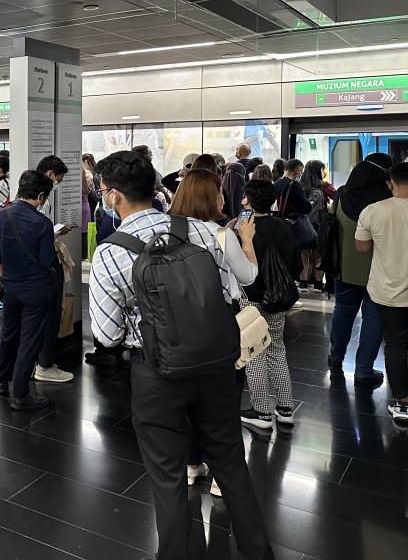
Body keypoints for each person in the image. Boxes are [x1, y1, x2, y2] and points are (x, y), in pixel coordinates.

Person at [88, 150, 273, 560]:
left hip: (156, 374)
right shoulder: (203, 232)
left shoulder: (110, 252)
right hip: (216, 364)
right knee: (231, 465)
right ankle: (260, 553)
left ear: (115, 196)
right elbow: (228, 293)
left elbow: (106, 334)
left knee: (168, 476)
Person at [168, 169, 258, 493]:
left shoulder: (169, 232)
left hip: (181, 322)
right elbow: (247, 276)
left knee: (190, 395)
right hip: (220, 322)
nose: (224, 197)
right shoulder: (222, 235)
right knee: (225, 399)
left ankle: (192, 464)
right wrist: (246, 241)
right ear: (211, 197)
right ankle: (223, 475)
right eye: (219, 191)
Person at [0, 170, 57, 410]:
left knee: (9, 334)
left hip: (10, 287)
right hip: (36, 289)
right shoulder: (43, 224)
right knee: (29, 340)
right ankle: (20, 393)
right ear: (40, 196)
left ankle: (0, 379)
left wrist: (4, 276)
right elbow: (47, 260)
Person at [236, 179, 300, 431]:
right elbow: (295, 262)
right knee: (277, 349)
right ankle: (285, 408)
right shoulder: (284, 226)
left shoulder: (243, 228)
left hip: (251, 298)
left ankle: (261, 411)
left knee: (253, 352)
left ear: (248, 201)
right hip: (278, 298)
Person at [328, 153, 393, 387]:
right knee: (373, 317)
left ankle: (336, 357)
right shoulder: (388, 201)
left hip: (344, 268)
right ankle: (364, 370)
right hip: (379, 271)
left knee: (343, 312)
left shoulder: (342, 195)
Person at [355, 161, 408, 424]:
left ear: (390, 183)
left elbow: (362, 247)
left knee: (396, 344)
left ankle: (403, 402)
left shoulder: (373, 211)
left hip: (387, 291)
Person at [33, 155, 74, 385]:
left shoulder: (21, 201)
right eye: (58, 178)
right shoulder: (42, 200)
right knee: (49, 315)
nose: (58, 183)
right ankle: (45, 364)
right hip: (45, 266)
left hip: (27, 273)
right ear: (50, 175)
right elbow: (41, 235)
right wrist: (56, 233)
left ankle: (36, 362)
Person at [298, 159, 327, 291]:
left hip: (302, 226)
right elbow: (321, 212)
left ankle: (303, 282)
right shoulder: (319, 191)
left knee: (304, 254)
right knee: (318, 254)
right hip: (316, 225)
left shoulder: (299, 188)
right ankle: (318, 283)